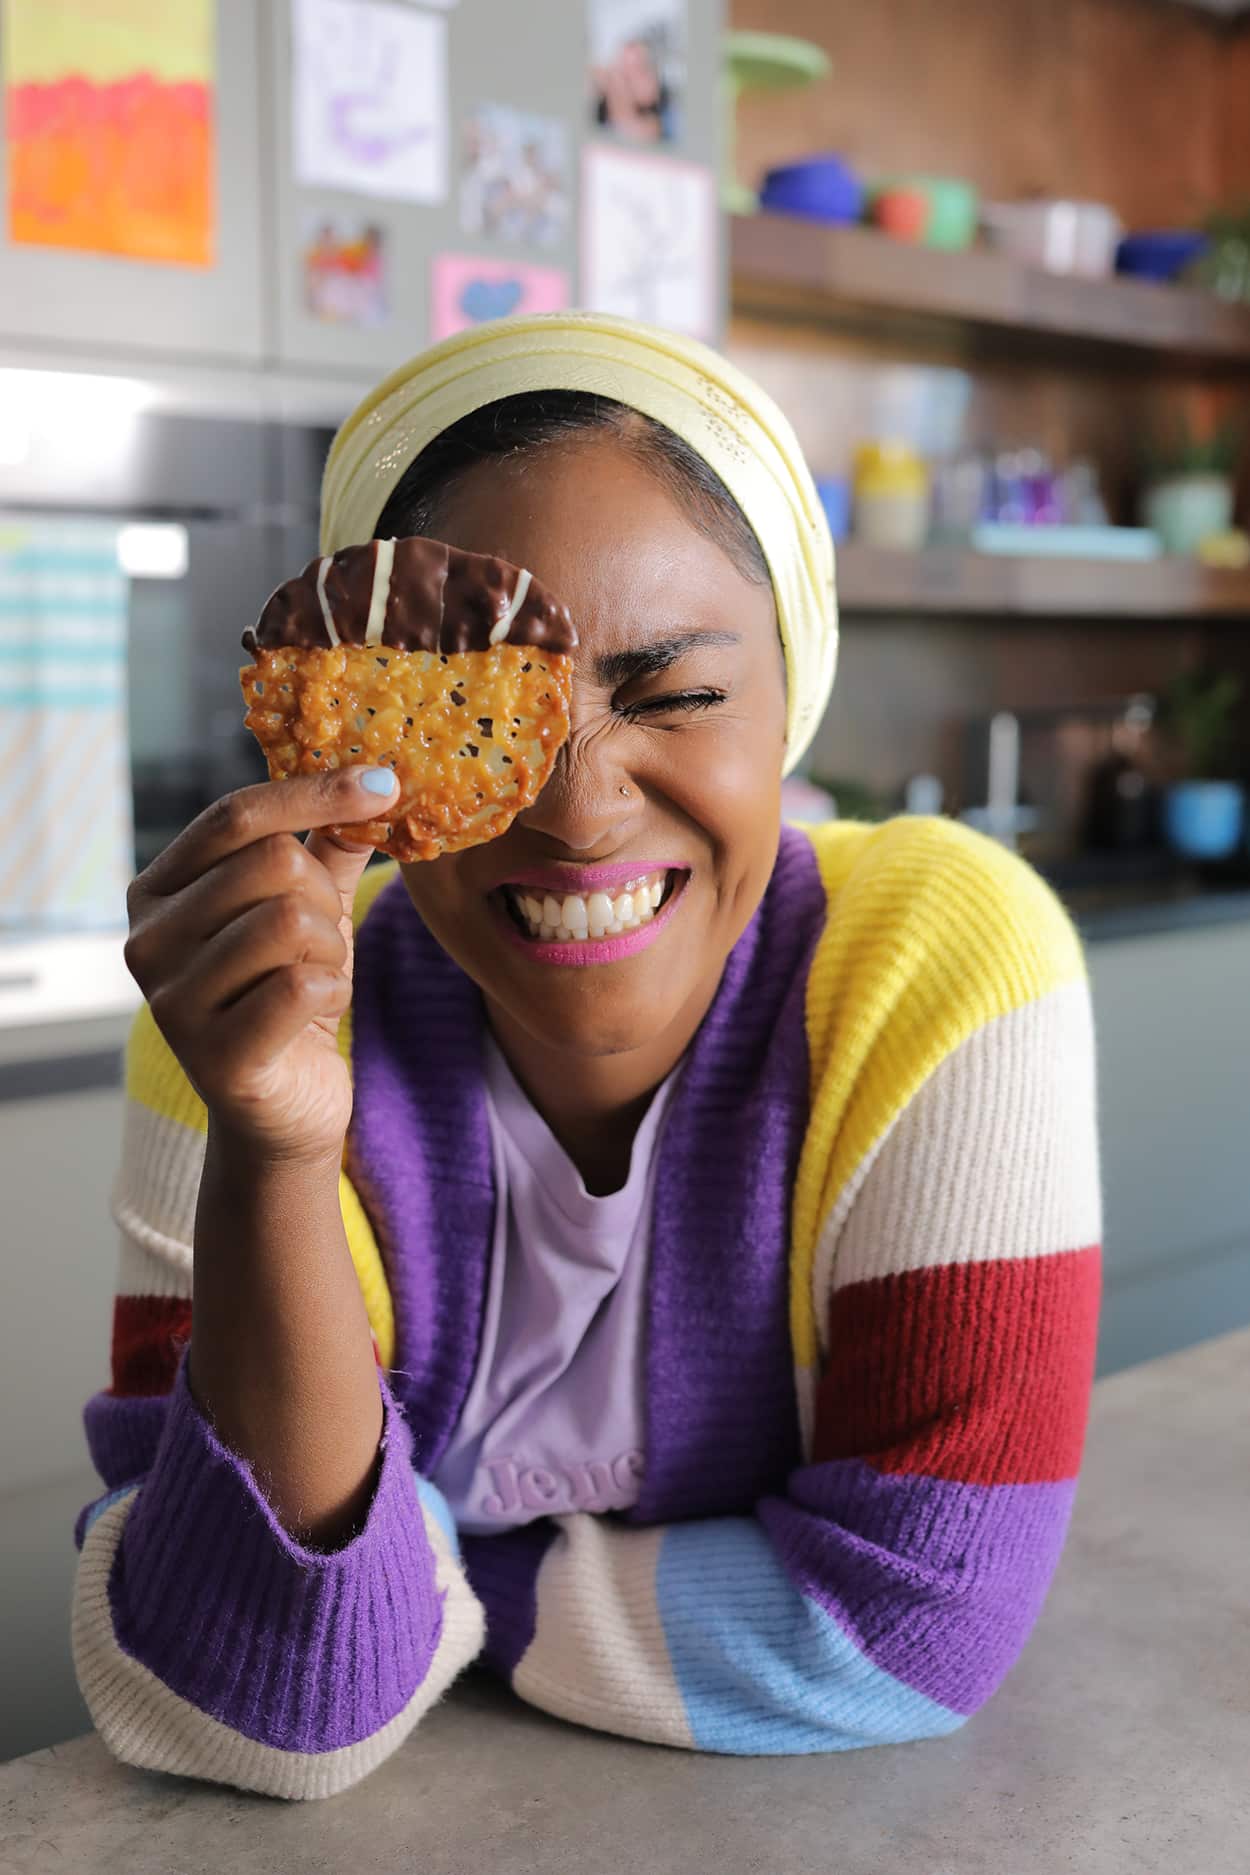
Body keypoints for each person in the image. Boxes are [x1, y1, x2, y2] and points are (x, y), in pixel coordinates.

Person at [72, 313, 1101, 1800]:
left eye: (676, 695)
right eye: (482, 716)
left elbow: (906, 1630)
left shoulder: (938, 961)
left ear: (791, 693)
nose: (576, 810)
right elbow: (258, 1708)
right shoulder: (252, 1022)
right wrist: (277, 1152)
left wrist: (430, 1591)